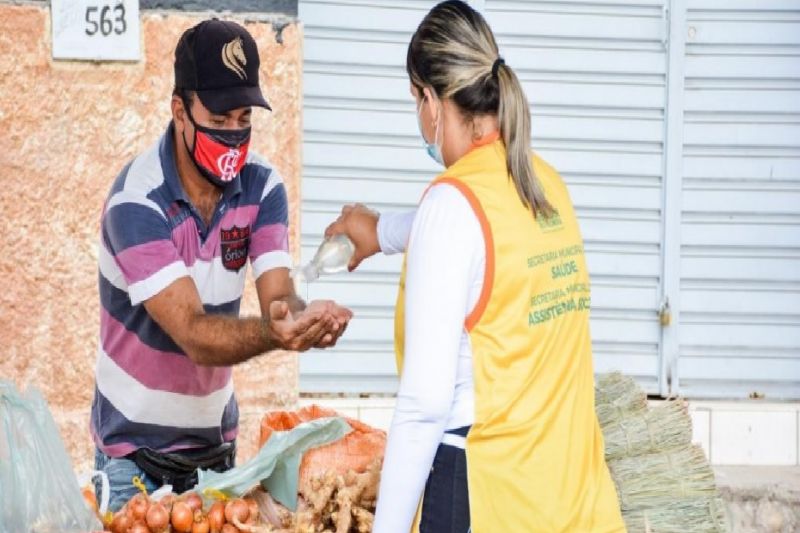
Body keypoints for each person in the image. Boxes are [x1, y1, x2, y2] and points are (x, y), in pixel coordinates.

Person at [325, 2, 625, 531]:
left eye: (414, 101)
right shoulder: (543, 181)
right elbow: (478, 242)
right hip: (570, 495)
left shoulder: (452, 204)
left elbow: (423, 406)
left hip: (488, 491)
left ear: (431, 101)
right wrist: (381, 232)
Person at [92, 19, 351, 510]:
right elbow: (193, 333)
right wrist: (275, 334)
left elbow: (278, 295)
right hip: (133, 461)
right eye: (219, 118)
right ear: (180, 110)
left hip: (216, 454)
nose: (233, 136)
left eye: (243, 119)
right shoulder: (137, 201)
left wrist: (299, 319)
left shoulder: (263, 187)